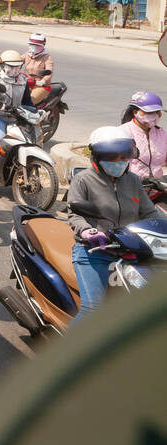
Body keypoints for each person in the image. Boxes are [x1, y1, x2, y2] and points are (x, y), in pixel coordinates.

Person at [67, 126, 161, 323]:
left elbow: (150, 212)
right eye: (112, 158)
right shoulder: (82, 180)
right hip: (94, 253)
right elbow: (74, 215)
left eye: (123, 157)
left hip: (132, 252)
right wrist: (87, 231)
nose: (119, 163)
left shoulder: (133, 180)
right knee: (92, 310)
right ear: (97, 159)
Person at [0, 49, 29, 173]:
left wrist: (37, 111)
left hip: (16, 118)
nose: (15, 70)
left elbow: (28, 101)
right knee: (1, 139)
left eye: (18, 67)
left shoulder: (23, 81)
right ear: (3, 66)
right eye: (11, 66)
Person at [120, 90, 166, 186]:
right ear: (136, 112)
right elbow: (116, 165)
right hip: (130, 188)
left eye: (157, 112)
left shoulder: (161, 133)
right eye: (150, 112)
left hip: (157, 187)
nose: (155, 116)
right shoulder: (123, 132)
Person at [23, 32, 54, 104]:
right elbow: (16, 60)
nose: (33, 46)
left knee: (29, 102)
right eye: (31, 44)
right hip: (26, 83)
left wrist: (43, 81)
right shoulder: (27, 54)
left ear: (43, 45)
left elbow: (49, 72)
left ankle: (35, 114)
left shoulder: (47, 57)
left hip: (41, 86)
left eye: (36, 45)